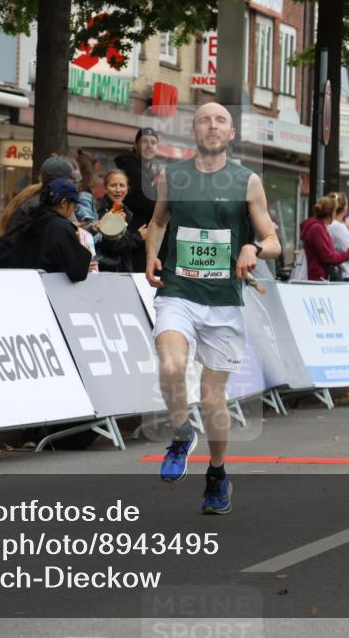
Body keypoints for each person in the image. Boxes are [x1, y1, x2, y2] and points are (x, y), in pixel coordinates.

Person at [145, 102, 281, 515]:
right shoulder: (174, 176)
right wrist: (152, 254)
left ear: (232, 132)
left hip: (223, 302)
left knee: (212, 399)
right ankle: (182, 433)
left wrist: (251, 246)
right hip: (178, 291)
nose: (212, 125)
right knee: (171, 367)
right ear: (194, 130)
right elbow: (157, 223)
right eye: (204, 119)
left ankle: (217, 472)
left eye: (220, 120)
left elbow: (273, 241)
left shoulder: (247, 181)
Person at [0, 178, 92, 282]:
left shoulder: (30, 219)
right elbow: (78, 273)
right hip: (48, 291)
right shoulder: (62, 228)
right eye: (74, 205)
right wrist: (79, 241)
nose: (73, 210)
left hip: (21, 286)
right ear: (64, 203)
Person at [116, 127, 163, 271]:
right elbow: (148, 200)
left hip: (146, 237)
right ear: (136, 146)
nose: (149, 146)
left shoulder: (150, 173)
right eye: (144, 142)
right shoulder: (130, 168)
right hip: (133, 238)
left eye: (153, 142)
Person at [300, 195, 349, 281]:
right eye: (335, 211)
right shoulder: (317, 229)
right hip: (317, 279)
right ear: (331, 213)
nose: (335, 215)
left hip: (320, 277)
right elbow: (328, 257)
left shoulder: (320, 227)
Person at [94, 169, 147, 272]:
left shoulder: (126, 211)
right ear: (105, 188)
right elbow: (113, 245)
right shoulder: (102, 212)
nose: (118, 190)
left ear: (127, 189)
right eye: (113, 185)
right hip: (108, 272)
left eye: (122, 185)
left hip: (123, 270)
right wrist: (138, 236)